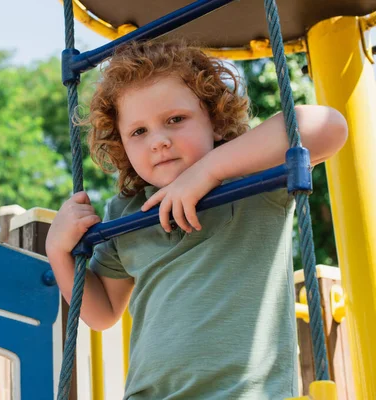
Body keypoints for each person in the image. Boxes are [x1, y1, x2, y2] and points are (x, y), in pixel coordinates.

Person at [45, 39, 348, 399]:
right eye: (138, 132)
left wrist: (208, 171)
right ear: (122, 146)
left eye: (175, 119)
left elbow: (328, 126)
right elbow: (104, 312)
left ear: (216, 121)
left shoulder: (249, 181)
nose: (158, 140)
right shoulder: (125, 213)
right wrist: (58, 251)